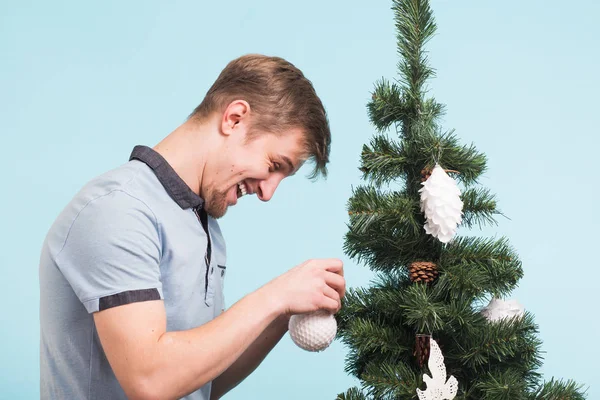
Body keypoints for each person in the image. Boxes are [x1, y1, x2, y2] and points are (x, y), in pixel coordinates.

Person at [39, 54, 345, 400]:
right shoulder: (117, 210)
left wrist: (283, 313)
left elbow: (201, 380)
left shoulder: (205, 225)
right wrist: (274, 297)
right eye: (274, 164)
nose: (268, 193)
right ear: (234, 118)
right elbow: (150, 382)